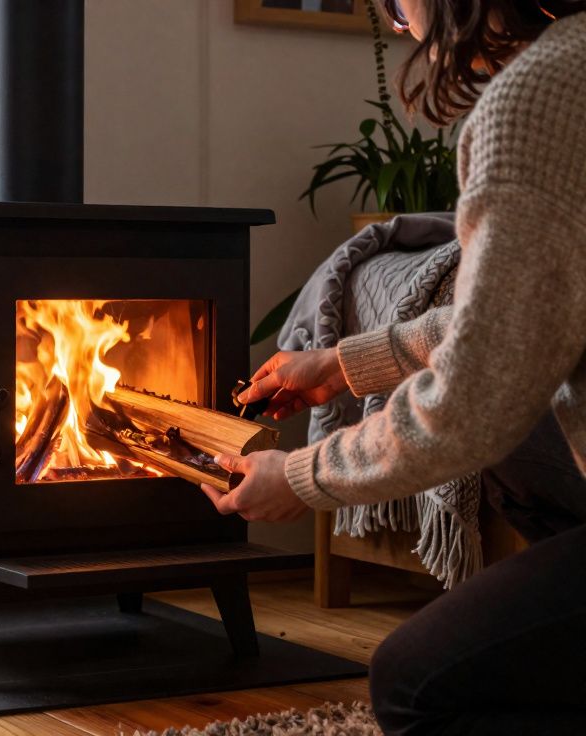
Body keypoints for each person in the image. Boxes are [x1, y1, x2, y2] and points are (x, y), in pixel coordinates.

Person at [201, 1, 586, 733]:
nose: (404, 26)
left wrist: (303, 477)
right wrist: (344, 365)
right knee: (519, 462)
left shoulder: (536, 101)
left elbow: (473, 400)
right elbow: (507, 323)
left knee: (416, 681)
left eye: (395, 6)